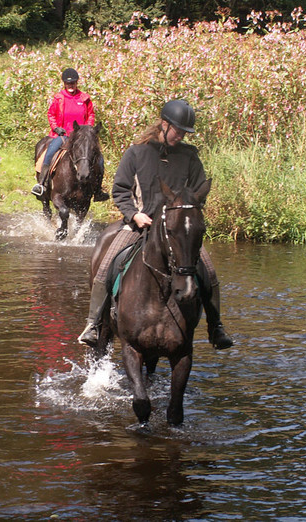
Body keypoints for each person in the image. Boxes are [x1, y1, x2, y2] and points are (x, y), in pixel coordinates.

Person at [77, 99, 234, 350]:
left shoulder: (190, 156)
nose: (181, 135)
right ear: (164, 124)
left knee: (209, 271)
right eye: (178, 130)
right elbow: (120, 190)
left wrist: (189, 217)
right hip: (141, 224)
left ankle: (216, 328)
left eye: (185, 132)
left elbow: (196, 194)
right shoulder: (137, 152)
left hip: (175, 231)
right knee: (106, 266)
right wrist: (134, 214)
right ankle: (93, 324)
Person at [31, 68, 109, 201]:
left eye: (73, 83)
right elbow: (51, 114)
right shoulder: (59, 98)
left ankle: (98, 190)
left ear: (77, 82)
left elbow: (91, 114)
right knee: (49, 153)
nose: (71, 85)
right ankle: (42, 184)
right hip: (64, 135)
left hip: (81, 136)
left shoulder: (84, 98)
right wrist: (56, 128)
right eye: (68, 83)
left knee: (99, 159)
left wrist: (88, 129)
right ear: (64, 84)